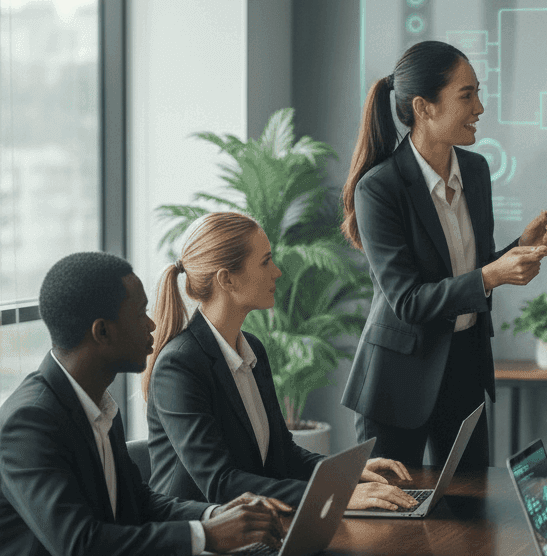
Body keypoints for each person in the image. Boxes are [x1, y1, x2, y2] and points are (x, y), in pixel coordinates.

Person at [0, 252, 291, 556]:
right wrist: (206, 536)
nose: (152, 325)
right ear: (103, 332)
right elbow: (81, 545)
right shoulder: (30, 421)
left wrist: (213, 515)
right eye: (139, 312)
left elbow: (136, 501)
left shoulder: (97, 404)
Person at [340, 40, 547, 471]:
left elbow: (463, 270)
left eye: (478, 92)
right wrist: (493, 276)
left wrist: (520, 247)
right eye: (467, 95)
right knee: (389, 525)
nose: (479, 107)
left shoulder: (475, 171)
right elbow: (408, 300)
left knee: (468, 513)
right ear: (424, 108)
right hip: (396, 381)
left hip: (465, 368)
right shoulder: (379, 188)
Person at [144, 211, 417, 512]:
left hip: (253, 527)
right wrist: (334, 495)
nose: (277, 272)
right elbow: (221, 484)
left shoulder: (254, 350)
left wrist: (343, 474)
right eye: (265, 261)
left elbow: (283, 455)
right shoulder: (179, 366)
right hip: (200, 537)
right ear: (227, 279)